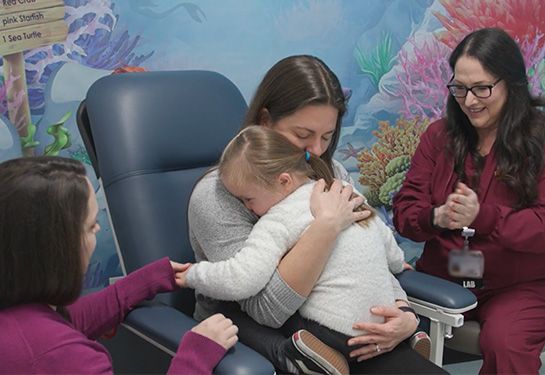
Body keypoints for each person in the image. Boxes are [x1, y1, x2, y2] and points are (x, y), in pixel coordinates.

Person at [188, 55, 445, 374]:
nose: (318, 150)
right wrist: (326, 226)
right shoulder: (220, 195)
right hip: (262, 337)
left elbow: (366, 256)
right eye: (303, 134)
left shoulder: (330, 172)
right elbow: (265, 310)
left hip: (344, 326)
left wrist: (402, 313)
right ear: (265, 121)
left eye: (327, 136)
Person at [183, 125, 415, 374]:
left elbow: (243, 279)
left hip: (332, 334)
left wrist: (191, 275)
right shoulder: (345, 193)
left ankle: (297, 356)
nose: (247, 208)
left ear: (284, 181)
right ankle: (411, 339)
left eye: (248, 199)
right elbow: (385, 241)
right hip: (378, 328)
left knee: (231, 315)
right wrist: (398, 264)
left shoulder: (278, 218)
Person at [392, 27, 545, 375]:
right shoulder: (439, 136)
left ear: (512, 84)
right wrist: (437, 217)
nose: (470, 101)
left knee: (505, 342)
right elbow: (404, 214)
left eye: (482, 89)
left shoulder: (540, 141)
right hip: (442, 277)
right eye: (460, 89)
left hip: (518, 286)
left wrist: (485, 217)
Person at [0, 156, 238, 374]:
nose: (96, 229)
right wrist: (195, 356)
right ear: (57, 248)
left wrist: (146, 281)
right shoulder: (63, 357)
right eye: (91, 224)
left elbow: (69, 319)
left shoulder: (20, 314)